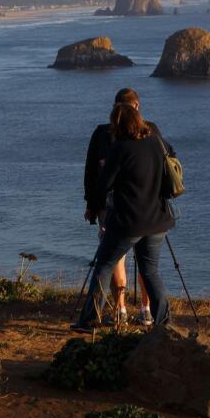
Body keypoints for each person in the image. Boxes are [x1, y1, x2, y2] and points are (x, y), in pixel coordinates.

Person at [73, 102, 175, 332]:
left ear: (117, 124)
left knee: (104, 265)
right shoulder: (156, 142)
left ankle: (90, 320)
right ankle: (164, 323)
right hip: (157, 219)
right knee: (150, 272)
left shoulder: (120, 148)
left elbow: (103, 185)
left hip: (129, 222)